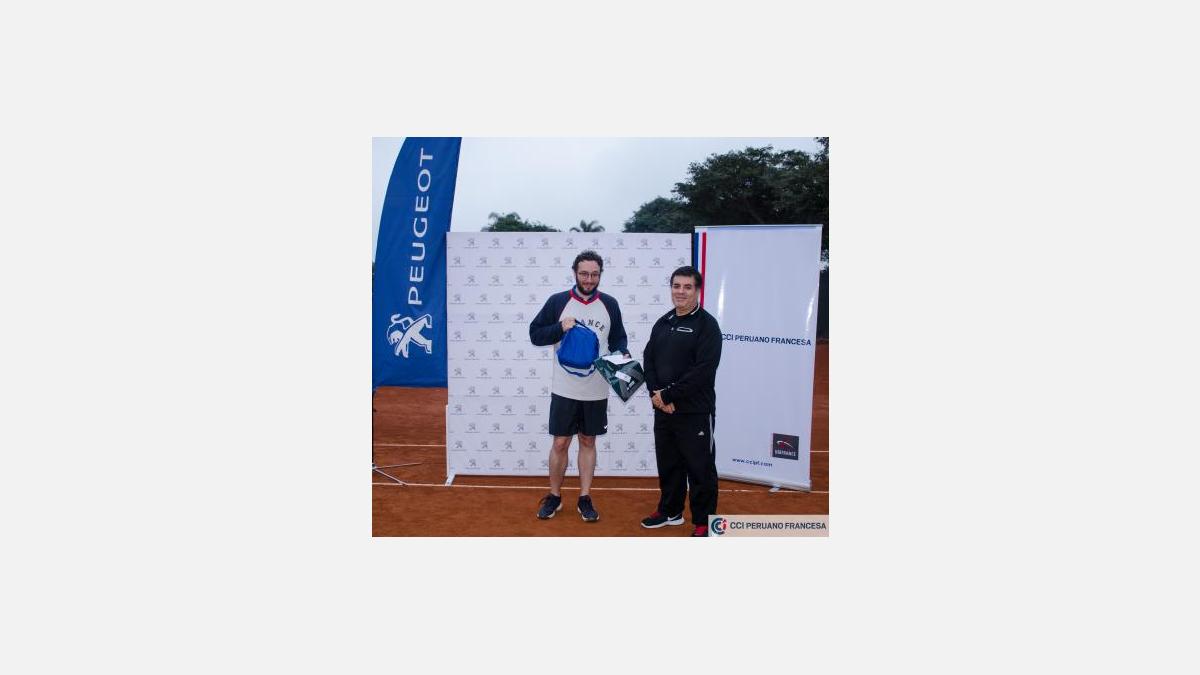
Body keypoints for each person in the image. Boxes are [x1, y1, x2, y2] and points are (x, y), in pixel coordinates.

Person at [528, 250, 628, 522]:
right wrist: (560, 327)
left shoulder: (610, 304)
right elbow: (535, 334)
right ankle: (554, 496)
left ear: (600, 275)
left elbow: (618, 338)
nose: (589, 279)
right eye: (584, 273)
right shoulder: (558, 301)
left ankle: (585, 497)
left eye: (594, 274)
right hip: (564, 389)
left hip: (596, 388)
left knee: (588, 440)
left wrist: (622, 354)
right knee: (560, 443)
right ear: (574, 273)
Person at [640, 266, 722, 537]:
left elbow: (703, 371)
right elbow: (649, 359)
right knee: (669, 465)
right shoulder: (663, 322)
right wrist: (657, 395)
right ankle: (670, 511)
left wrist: (668, 395)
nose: (681, 291)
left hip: (694, 411)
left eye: (687, 287)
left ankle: (704, 522)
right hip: (663, 409)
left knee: (700, 469)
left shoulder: (707, 326)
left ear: (697, 290)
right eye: (676, 286)